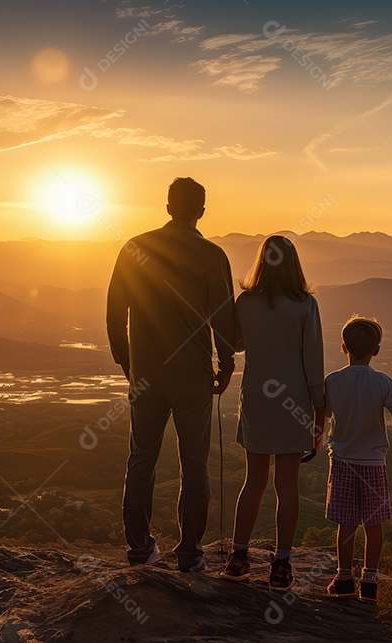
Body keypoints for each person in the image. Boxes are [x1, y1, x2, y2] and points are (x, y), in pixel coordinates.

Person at [106, 177, 237, 572]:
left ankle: (139, 549)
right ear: (201, 210)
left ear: (167, 207)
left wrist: (127, 363)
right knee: (194, 463)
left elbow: (115, 312)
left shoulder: (135, 248)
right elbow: (224, 319)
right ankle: (190, 553)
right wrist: (226, 364)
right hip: (193, 375)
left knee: (140, 458)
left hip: (145, 372)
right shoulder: (211, 255)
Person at [219, 235, 324, 590]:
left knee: (254, 480)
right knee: (287, 486)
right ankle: (281, 566)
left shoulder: (246, 302)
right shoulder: (306, 305)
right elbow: (313, 361)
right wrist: (319, 415)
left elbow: (233, 342)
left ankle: (238, 559)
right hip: (294, 399)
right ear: (294, 264)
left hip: (258, 397)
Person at [321, 317, 392, 602]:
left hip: (343, 461)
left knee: (346, 524)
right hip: (374, 464)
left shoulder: (332, 381)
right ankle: (370, 581)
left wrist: (311, 445)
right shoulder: (383, 381)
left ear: (343, 348)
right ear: (378, 350)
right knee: (374, 525)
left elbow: (320, 422)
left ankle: (344, 579)